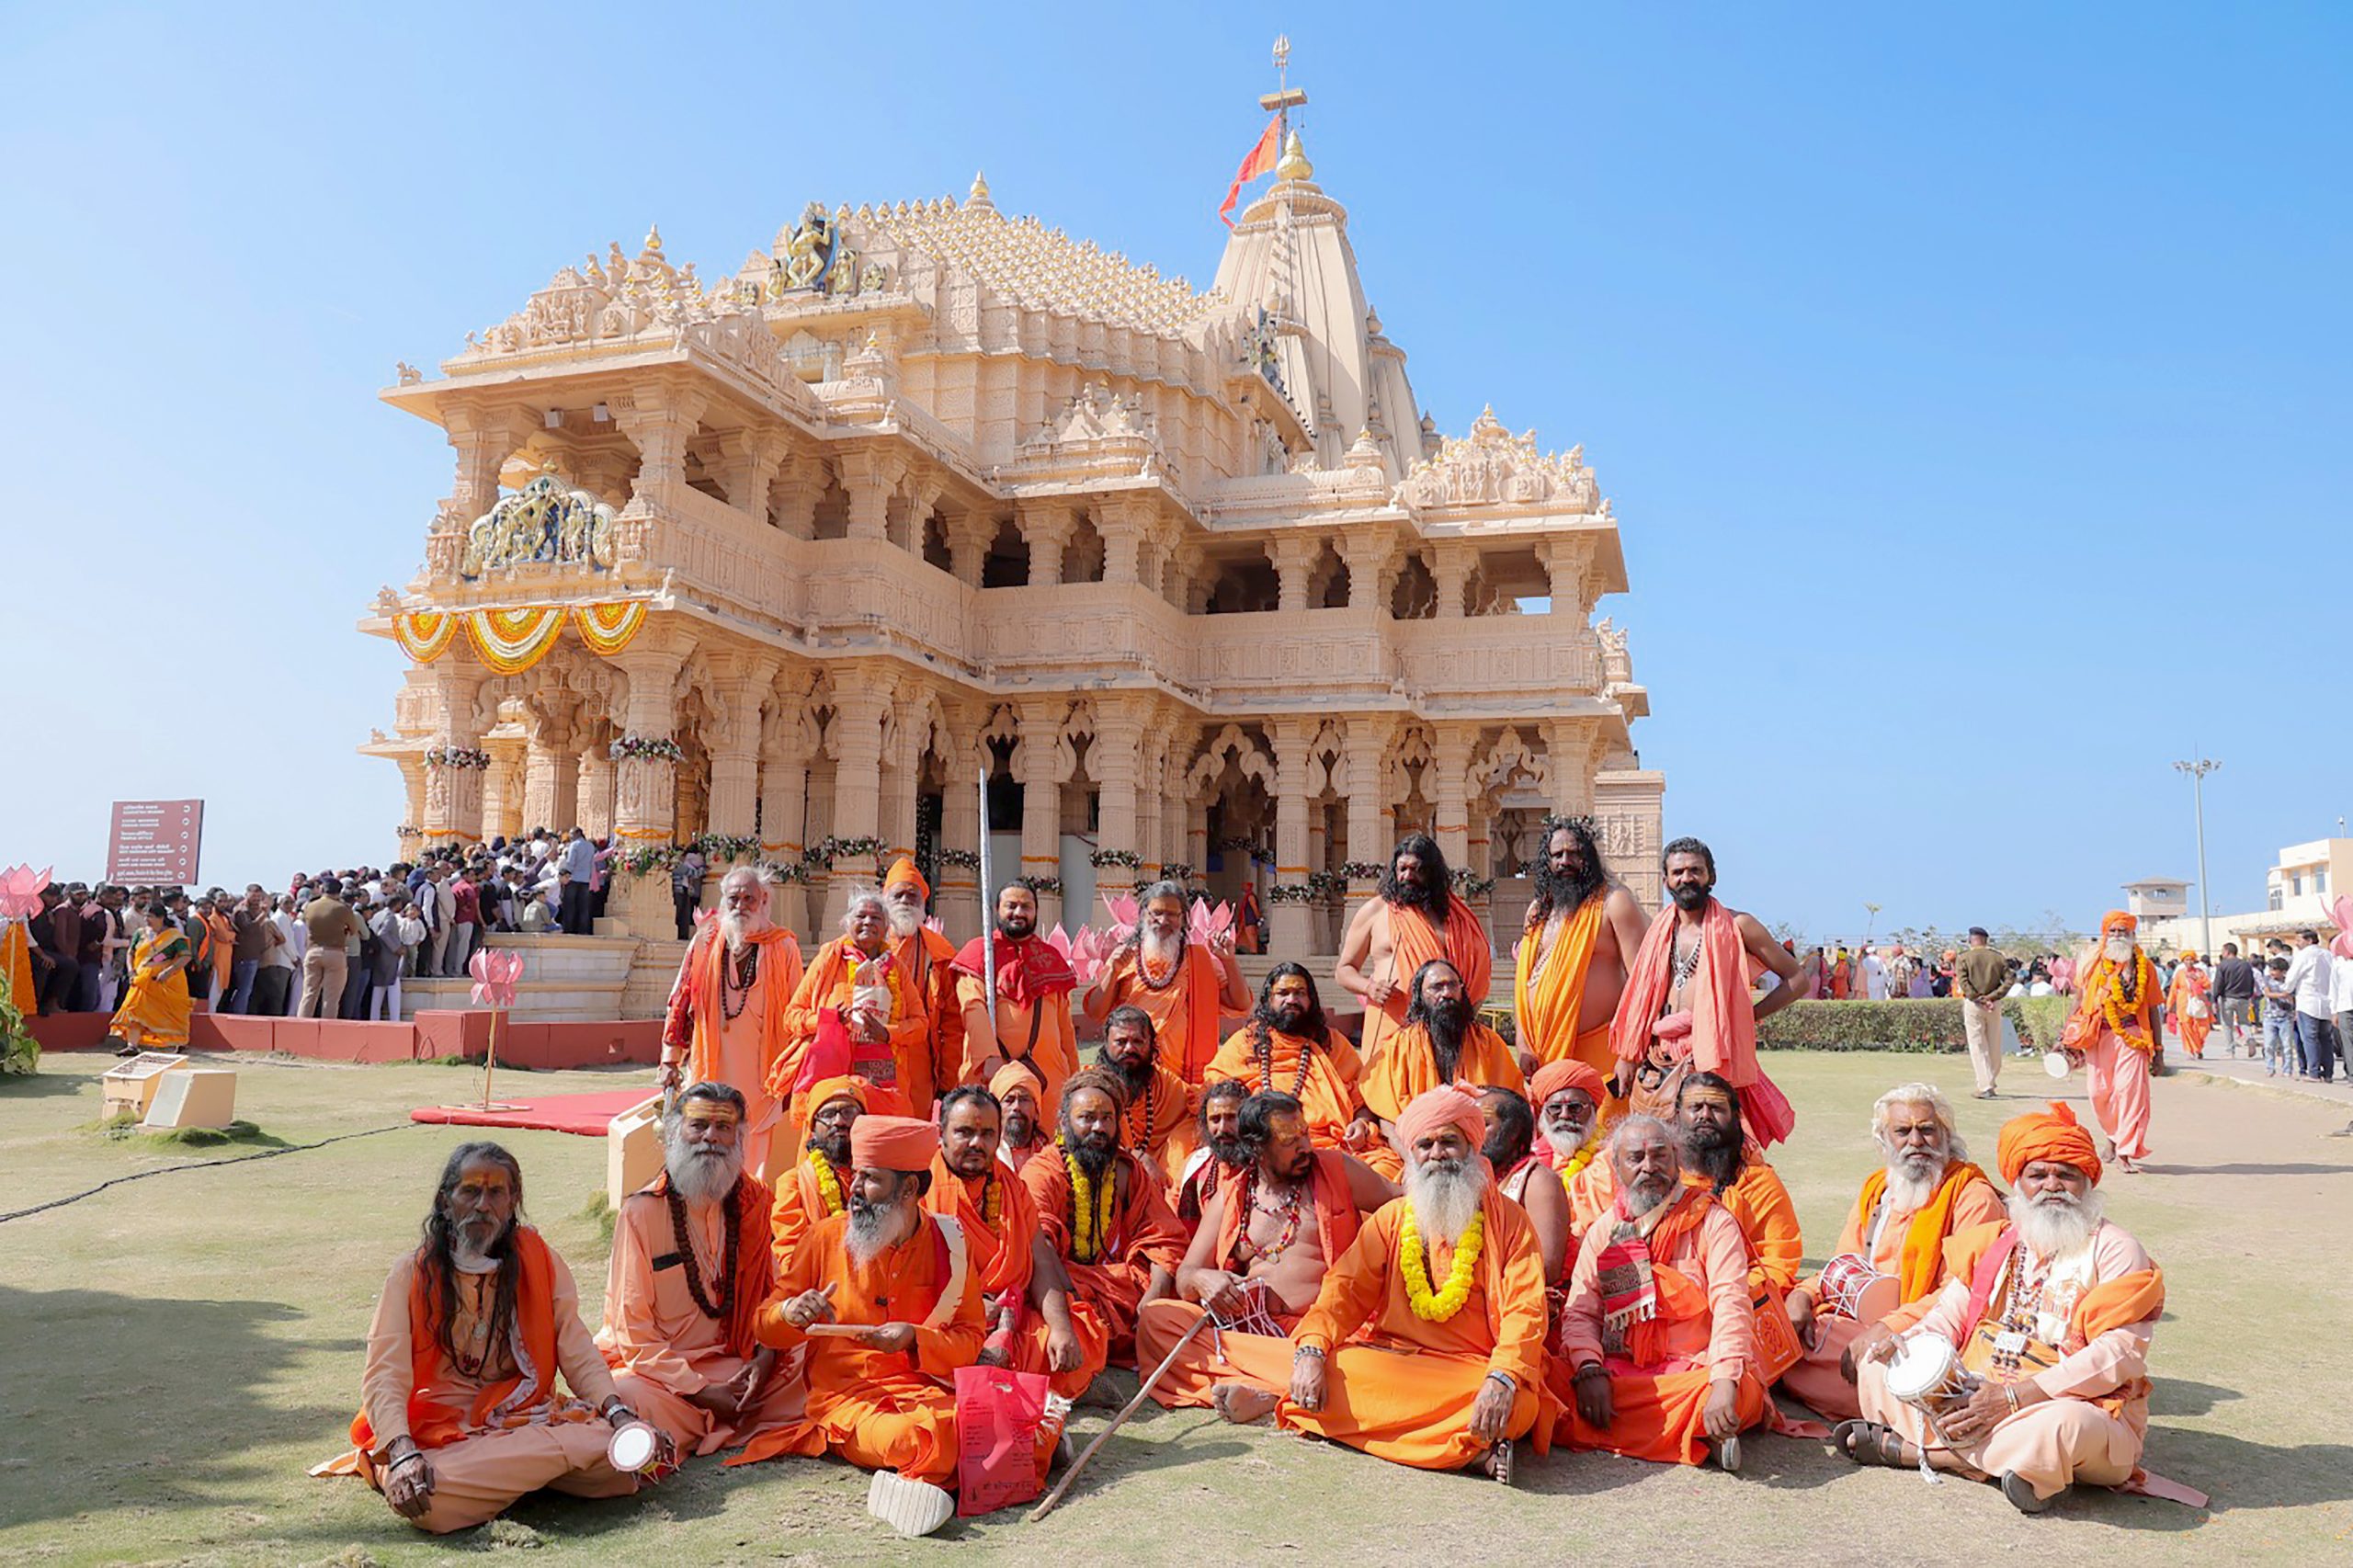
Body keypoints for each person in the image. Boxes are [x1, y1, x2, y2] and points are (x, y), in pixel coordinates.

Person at [1849, 1102, 2190, 1514]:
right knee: (1877, 1367)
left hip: (2067, 1403)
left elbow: (2118, 1354)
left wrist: (2013, 1399)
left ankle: (1924, 1453)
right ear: (2018, 1184)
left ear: (2087, 1182)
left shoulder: (2116, 1248)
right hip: (1976, 1392)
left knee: (2064, 1428)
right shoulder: (1997, 1242)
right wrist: (1908, 1343)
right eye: (2038, 1175)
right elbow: (1948, 1316)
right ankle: (2016, 1467)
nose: (2052, 1186)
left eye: (2067, 1175)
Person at [314, 1143, 664, 1533]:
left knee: (624, 1459)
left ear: (512, 1202)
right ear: (445, 1202)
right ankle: (536, 1472)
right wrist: (401, 1451)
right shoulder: (411, 1274)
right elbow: (385, 1374)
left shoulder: (540, 1260)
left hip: (523, 1417)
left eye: (496, 1193)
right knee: (432, 1498)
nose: (483, 1205)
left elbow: (576, 1348)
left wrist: (617, 1414)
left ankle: (506, 1480)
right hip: (444, 1431)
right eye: (470, 1191)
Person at [741, 1114, 1055, 1539]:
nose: (854, 1188)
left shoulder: (950, 1243)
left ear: (908, 1189)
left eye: (870, 1178)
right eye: (856, 1174)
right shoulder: (823, 1238)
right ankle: (949, 1470)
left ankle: (933, 1477)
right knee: (915, 1437)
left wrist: (914, 1339)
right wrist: (790, 1313)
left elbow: (969, 1338)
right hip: (847, 1400)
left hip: (927, 1389)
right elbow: (763, 1327)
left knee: (1004, 1423)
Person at [1210, 1085, 1550, 1479]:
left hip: (1473, 1371)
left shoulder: (1510, 1222)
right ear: (1412, 1154)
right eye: (1425, 1145)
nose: (1437, 1154)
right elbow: (1344, 1291)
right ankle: (1467, 1452)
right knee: (1329, 1367)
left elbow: (1526, 1309)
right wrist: (1313, 1349)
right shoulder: (1393, 1218)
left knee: (1519, 1405)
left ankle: (1296, 1408)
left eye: (1449, 1142)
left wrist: (1502, 1376)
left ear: (1472, 1148)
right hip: (1395, 1363)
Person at [1135, 1089, 1394, 1410]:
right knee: (1157, 1319)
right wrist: (1204, 1280)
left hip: (1326, 1333)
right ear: (1257, 1148)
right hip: (1251, 1333)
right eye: (1289, 1141)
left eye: (1304, 1134)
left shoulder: (1338, 1169)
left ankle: (1265, 1387)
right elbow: (1185, 1277)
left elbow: (1401, 1207)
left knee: (1365, 1363)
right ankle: (1283, 1385)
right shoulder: (1231, 1195)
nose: (1305, 1147)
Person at [597, 1082, 803, 1457]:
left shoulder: (753, 1202)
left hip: (736, 1364)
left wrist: (765, 1357)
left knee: (813, 1357)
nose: (710, 1137)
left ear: (739, 1138)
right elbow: (634, 1334)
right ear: (675, 1132)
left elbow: (771, 1296)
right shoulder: (642, 1212)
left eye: (723, 1127)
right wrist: (701, 1391)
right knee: (627, 1394)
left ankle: (714, 1419)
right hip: (663, 1376)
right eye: (699, 1125)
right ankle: (723, 1417)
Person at [1779, 1084, 2004, 1423]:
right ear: (1885, 1140)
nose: (1916, 1141)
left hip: (1929, 1331)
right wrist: (1803, 1295)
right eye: (1902, 1131)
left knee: (1873, 1364)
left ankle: (1897, 1405)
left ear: (1946, 1136)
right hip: (1859, 1321)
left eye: (1926, 1130)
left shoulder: (1971, 1196)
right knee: (1782, 1329)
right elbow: (1844, 1265)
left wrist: (1889, 1326)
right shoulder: (1878, 1189)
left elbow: (1963, 1293)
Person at [1557, 1114, 1768, 1471]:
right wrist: (1589, 1369)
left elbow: (1731, 1303)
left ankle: (1700, 1420)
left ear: (1676, 1159)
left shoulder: (1712, 1221)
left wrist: (1723, 1383)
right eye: (1635, 1158)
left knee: (1739, 1390)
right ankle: (1700, 1434)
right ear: (1616, 1167)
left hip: (1696, 1371)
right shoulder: (1605, 1230)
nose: (1648, 1166)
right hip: (1622, 1370)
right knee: (1552, 1380)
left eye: (1659, 1155)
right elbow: (1581, 1311)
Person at [1609, 838, 1802, 1145]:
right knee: (1658, 1151)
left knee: (1713, 1150)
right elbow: (1641, 999)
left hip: (1712, 1057)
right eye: (1678, 872)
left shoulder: (1740, 925)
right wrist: (1627, 1055)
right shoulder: (1660, 929)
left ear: (1711, 876)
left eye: (1695, 871)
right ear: (1666, 880)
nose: (1686, 878)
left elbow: (1797, 979)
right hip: (1659, 1060)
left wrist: (1745, 1017)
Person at [926, 1085, 1106, 1398]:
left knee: (1080, 1331)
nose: (976, 1143)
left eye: (987, 1134)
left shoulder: (1012, 1187)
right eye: (964, 1132)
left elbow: (1041, 1260)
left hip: (1010, 1313)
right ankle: (1028, 1387)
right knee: (937, 1350)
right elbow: (909, 1279)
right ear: (941, 1134)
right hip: (948, 1319)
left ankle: (1013, 1384)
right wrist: (969, 1307)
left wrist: (1060, 1327)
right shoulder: (920, 1187)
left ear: (999, 1137)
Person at [1017, 1067, 1186, 1362]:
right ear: (1064, 1122)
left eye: (1107, 1118)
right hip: (1062, 1285)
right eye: (1087, 1117)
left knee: (1174, 1302)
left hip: (1119, 1288)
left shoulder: (1128, 1171)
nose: (1098, 1127)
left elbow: (1165, 1238)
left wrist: (1153, 1297)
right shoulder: (1043, 1171)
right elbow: (1038, 1246)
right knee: (1035, 1323)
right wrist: (1073, 1302)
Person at [660, 867, 806, 1182]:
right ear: (723, 900)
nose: (740, 905)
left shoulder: (783, 946)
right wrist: (670, 1058)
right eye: (733, 898)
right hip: (710, 1060)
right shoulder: (706, 939)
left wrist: (795, 1069)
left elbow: (798, 1011)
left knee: (753, 1142)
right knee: (707, 1132)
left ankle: (748, 1199)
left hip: (762, 1070)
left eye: (748, 898)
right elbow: (681, 998)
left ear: (763, 900)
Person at [1507, 817, 1654, 1084]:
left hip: (1604, 1056)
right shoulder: (1538, 911)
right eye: (1558, 855)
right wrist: (1522, 1042)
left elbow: (1642, 984)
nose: (1566, 861)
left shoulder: (1614, 903)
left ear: (1589, 858)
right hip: (1542, 1058)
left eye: (1575, 853)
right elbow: (1524, 982)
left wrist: (1630, 1054)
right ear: (1547, 861)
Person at [1335, 834, 1495, 1064]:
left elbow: (1476, 970)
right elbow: (1344, 970)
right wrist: (1369, 988)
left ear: (1432, 873)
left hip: (1446, 1029)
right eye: (1402, 869)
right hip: (1391, 1024)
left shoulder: (1456, 917)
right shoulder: (1376, 911)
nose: (1407, 876)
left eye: (1416, 869)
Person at [1358, 958, 1522, 1180]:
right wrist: (1413, 1161)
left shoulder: (1488, 1042)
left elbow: (1509, 1107)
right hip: (1416, 1149)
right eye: (1436, 987)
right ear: (1420, 995)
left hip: (1479, 1150)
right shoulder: (1400, 1046)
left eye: (1452, 985)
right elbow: (1386, 1120)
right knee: (1380, 1173)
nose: (1446, 994)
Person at [1080, 879, 1249, 1084]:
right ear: (1143, 915)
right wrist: (1113, 971)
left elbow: (1241, 1004)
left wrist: (1229, 961)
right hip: (1132, 1070)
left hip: (1183, 1079)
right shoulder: (1124, 958)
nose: (1163, 920)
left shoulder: (1198, 960)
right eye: (1157, 913)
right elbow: (1096, 1012)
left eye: (1171, 914)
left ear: (1183, 919)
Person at [781, 889, 930, 1113]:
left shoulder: (897, 969)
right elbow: (792, 1016)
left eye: (876, 917)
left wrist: (887, 1033)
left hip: (883, 1080)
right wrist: (828, 1020)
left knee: (878, 1134)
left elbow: (920, 1025)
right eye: (861, 916)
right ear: (847, 923)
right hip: (833, 1077)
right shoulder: (829, 960)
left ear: (887, 927)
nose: (868, 922)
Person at [1204, 963, 1372, 1154]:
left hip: (1329, 1145)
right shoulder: (1246, 1042)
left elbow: (1364, 1100)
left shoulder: (1333, 1044)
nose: (1291, 1000)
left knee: (1383, 1167)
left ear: (1311, 1000)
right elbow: (1216, 1093)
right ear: (1269, 999)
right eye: (1283, 993)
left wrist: (1361, 1123)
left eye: (1300, 993)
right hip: (1259, 1146)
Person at [954, 883, 1080, 1118]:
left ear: (1036, 911)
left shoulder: (1051, 958)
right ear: (996, 909)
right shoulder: (979, 953)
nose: (1019, 913)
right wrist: (989, 1058)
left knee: (1049, 1137)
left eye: (1026, 907)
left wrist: (1075, 1079)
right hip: (991, 1073)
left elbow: (1065, 1028)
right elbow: (972, 1008)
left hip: (1048, 1079)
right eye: (1011, 906)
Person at [1675, 1071, 1802, 1300]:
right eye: (1695, 1107)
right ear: (1677, 1115)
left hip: (1738, 1300)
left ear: (1736, 1117)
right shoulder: (1658, 1176)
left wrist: (1728, 1295)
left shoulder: (1759, 1183)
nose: (1705, 1116)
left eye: (1716, 1108)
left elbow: (1777, 1263)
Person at [2066, 911, 2163, 1172]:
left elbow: (2153, 1008)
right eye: (2113, 931)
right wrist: (2066, 1034)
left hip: (2133, 1036)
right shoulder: (2092, 964)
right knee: (2099, 1093)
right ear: (2105, 934)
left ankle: (2125, 1151)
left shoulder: (2145, 966)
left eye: (2123, 931)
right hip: (2098, 1035)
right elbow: (2078, 1000)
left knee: (2128, 1092)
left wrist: (2159, 1050)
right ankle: (2112, 1137)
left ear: (2132, 935)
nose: (2118, 936)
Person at [881, 858, 964, 1112]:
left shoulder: (939, 953)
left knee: (915, 1126)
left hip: (920, 1056)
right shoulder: (867, 943)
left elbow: (953, 1023)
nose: (905, 901)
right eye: (898, 895)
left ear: (923, 903)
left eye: (912, 896)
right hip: (875, 1048)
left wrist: (949, 1079)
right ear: (885, 899)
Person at [1479, 1085, 1573, 1292]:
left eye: (1483, 1124)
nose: (1472, 1133)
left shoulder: (1538, 1181)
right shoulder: (1477, 1180)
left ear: (1513, 1132)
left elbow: (1546, 1267)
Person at [769, 1076, 868, 1273]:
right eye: (828, 1114)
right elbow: (788, 1253)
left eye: (849, 1112)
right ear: (813, 1128)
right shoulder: (793, 1183)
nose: (839, 1121)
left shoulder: (882, 1177)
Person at [1097, 1004, 1197, 1187]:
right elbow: (1084, 1139)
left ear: (1151, 1044)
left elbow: (1198, 1104)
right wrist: (1134, 1156)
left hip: (1164, 1182)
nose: (1129, 1049)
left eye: (1138, 1041)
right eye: (1121, 1042)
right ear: (1106, 1043)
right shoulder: (1092, 1088)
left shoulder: (1164, 1084)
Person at [1529, 1058, 1615, 1240]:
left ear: (1594, 1110)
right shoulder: (1531, 1161)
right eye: (1555, 1108)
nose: (1565, 1115)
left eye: (1575, 1108)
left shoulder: (1613, 1158)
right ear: (1543, 1114)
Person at [108, 903, 195, 1053]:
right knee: (134, 1008)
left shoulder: (173, 936)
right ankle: (132, 1046)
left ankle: (178, 1042)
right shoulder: (140, 933)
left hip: (167, 980)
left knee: (170, 1011)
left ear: (161, 918)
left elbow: (185, 956)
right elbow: (131, 953)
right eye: (146, 916)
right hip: (142, 978)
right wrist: (131, 971)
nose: (147, 920)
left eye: (151, 917)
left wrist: (168, 972)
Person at [1175, 1077, 1251, 1230]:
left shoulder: (1266, 1167)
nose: (1222, 1128)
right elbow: (1171, 1223)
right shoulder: (1195, 1166)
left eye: (1231, 1118)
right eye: (1215, 1120)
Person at [298, 879, 367, 1020]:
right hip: (335, 952)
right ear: (339, 891)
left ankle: (301, 1024)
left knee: (309, 993)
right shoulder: (342, 908)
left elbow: (306, 923)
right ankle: (327, 1028)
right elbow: (354, 930)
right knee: (331, 997)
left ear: (323, 889)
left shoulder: (310, 906)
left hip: (313, 951)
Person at [1954, 926, 2011, 1098]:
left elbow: (1963, 982)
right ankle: (1990, 1081)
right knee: (1994, 1043)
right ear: (1986, 940)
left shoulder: (1964, 958)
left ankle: (1985, 1085)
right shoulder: (1998, 957)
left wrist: (1978, 998)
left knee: (1978, 1044)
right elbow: (2009, 980)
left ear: (1971, 940)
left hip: (1974, 1004)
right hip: (1994, 1004)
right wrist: (1993, 997)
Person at [2283, 927, 2337, 1083]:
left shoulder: (2304, 955)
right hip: (2327, 1002)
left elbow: (2292, 977)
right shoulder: (2328, 955)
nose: (2296, 943)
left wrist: (2287, 990)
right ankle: (2328, 1073)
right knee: (2325, 1039)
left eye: (2299, 940)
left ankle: (2313, 1072)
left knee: (2310, 1038)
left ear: (2309, 940)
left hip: (2308, 1001)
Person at [991, 1061, 1051, 1168]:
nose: (1017, 1107)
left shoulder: (1050, 1159)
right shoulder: (986, 1156)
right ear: (996, 1111)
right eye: (1009, 1100)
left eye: (1024, 1100)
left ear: (1037, 1112)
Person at [367, 892, 415, 1022]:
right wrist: (396, 948)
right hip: (388, 956)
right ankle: (395, 1019)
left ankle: (374, 1019)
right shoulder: (390, 917)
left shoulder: (378, 915)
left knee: (379, 988)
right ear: (397, 904)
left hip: (378, 955)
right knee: (393, 985)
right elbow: (383, 933)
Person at [2211, 942, 2257, 1056]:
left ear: (2227, 952)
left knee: (2227, 1025)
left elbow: (2218, 983)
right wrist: (2249, 995)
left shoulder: (2223, 965)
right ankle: (2250, 1038)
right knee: (2244, 1022)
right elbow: (2251, 981)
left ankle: (2230, 1050)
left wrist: (2214, 999)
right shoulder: (2246, 965)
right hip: (2243, 998)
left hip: (2227, 998)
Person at [2166, 951, 2212, 1060]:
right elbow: (2173, 990)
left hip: (2199, 1001)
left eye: (2191, 959)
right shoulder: (2180, 974)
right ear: (2183, 961)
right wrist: (2170, 1004)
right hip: (2183, 1002)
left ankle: (2198, 1046)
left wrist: (2197, 979)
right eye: (2187, 960)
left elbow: (2208, 985)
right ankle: (2192, 1050)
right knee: (2186, 1026)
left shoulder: (2200, 972)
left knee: (2203, 1028)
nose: (2189, 962)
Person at [2258, 955, 2299, 1076]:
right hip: (2270, 1017)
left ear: (2283, 971)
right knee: (2269, 1045)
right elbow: (2267, 993)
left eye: (2275, 970)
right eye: (2271, 969)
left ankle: (2287, 1070)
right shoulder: (2266, 980)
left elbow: (2293, 998)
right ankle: (2270, 1068)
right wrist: (2283, 995)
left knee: (2287, 1046)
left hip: (2286, 1017)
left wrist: (2294, 1008)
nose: (2272, 972)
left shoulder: (2289, 982)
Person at [560, 827, 598, 934]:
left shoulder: (574, 845)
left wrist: (565, 874)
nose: (570, 836)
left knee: (570, 905)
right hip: (585, 880)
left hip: (573, 878)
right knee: (584, 907)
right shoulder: (590, 846)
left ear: (578, 833)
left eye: (571, 834)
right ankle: (583, 930)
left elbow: (570, 862)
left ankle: (569, 929)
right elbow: (591, 863)